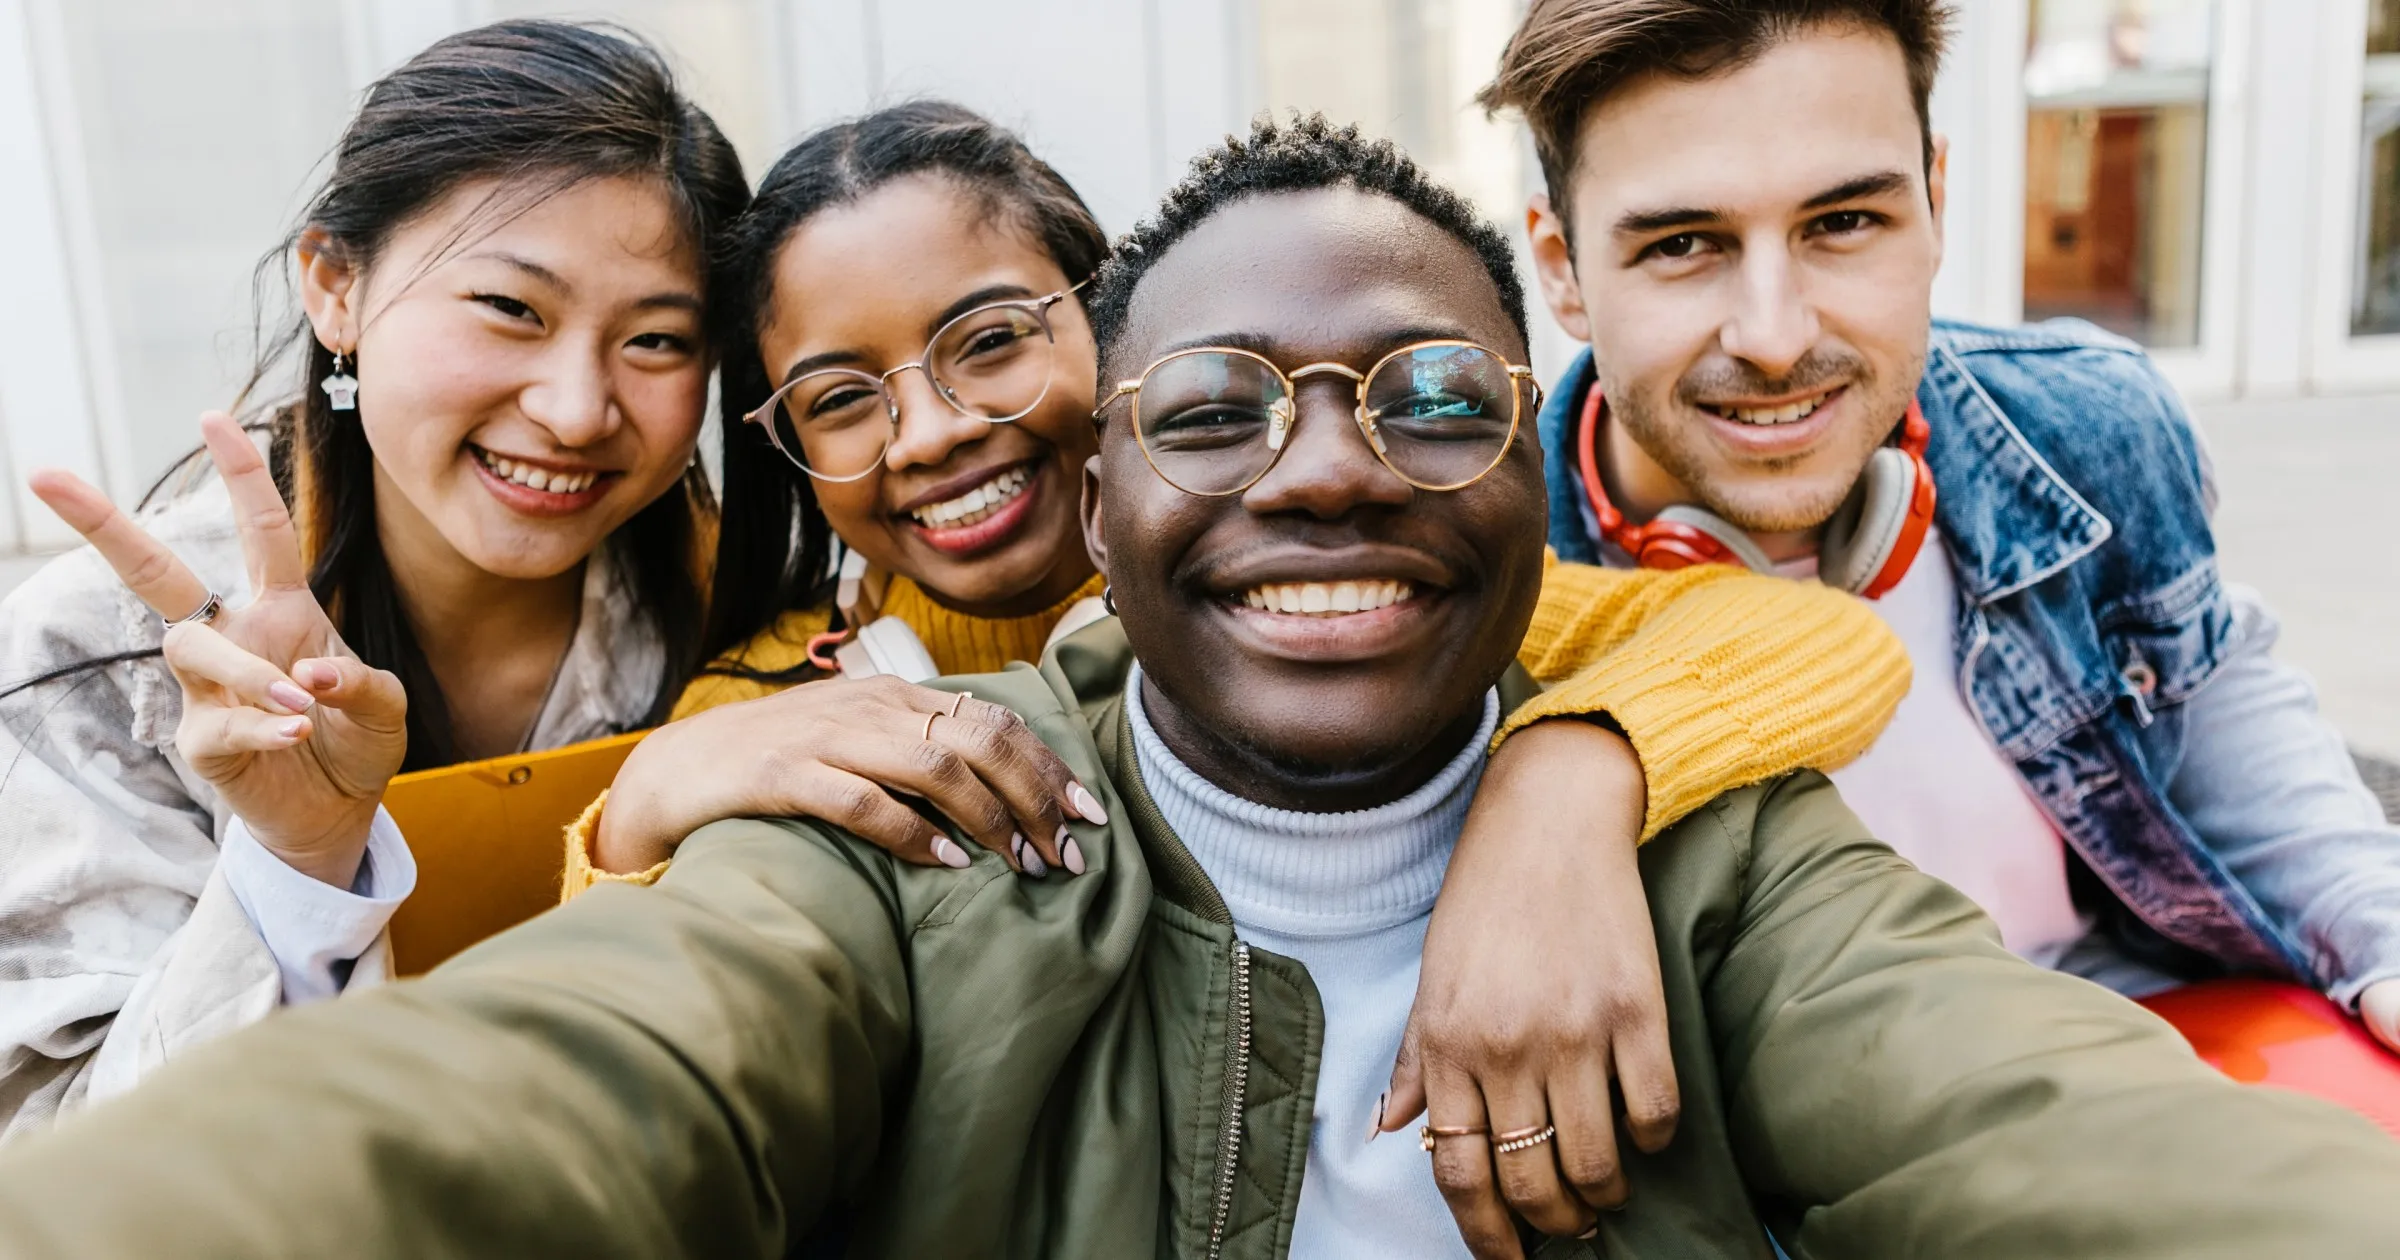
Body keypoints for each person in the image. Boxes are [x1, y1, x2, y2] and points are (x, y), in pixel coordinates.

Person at [3, 116, 2394, 1260]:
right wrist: (678, 794)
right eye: (1223, 412)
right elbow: (599, 1057)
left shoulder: (1646, 731)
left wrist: (1570, 779)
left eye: (1425, 406)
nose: (1320, 477)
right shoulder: (879, 779)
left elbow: (2037, 1130)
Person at [546, 101, 1916, 1234]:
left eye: (991, 343)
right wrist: (651, 798)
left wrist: (1565, 779)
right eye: (844, 398)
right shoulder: (788, 693)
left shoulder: (1322, 596)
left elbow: (1806, 638)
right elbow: (662, 1008)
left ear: (1122, 328)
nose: (930, 433)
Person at [1484, 0, 2400, 1045]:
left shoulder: (2085, 428)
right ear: (1560, 268)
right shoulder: (1477, 576)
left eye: (1842, 223)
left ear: (1936, 201)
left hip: (2124, 1045)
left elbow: (2220, 715)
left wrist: (2382, 941)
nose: (1776, 338)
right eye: (1686, 243)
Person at [0, 19, 748, 1137]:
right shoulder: (108, 654)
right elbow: (61, 1168)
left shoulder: (736, 610)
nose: (578, 409)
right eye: (512, 310)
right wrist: (296, 862)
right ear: (334, 286)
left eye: (656, 341)